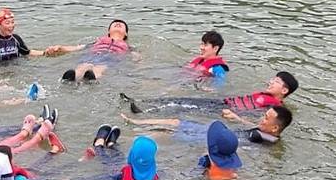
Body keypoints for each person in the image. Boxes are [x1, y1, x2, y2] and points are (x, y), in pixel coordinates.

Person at [122, 71, 298, 114]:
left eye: (276, 82)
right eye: (272, 79)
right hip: (222, 103)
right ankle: (140, 100)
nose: (270, 82)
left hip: (222, 110)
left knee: (184, 108)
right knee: (180, 99)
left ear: (284, 90)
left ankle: (144, 111)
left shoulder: (276, 107)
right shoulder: (268, 98)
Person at [121, 105, 293, 145]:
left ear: (275, 128)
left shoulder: (269, 141)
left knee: (166, 132)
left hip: (212, 139)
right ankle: (136, 122)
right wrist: (238, 118)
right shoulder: (264, 131)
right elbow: (251, 127)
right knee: (176, 122)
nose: (261, 119)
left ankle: (131, 140)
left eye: (266, 118)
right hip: (217, 131)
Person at [45, 19, 135, 81]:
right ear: (108, 31)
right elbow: (76, 48)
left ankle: (91, 78)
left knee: (99, 68)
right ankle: (72, 77)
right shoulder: (98, 41)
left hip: (112, 57)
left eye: (121, 25)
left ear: (126, 33)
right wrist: (61, 47)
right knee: (84, 66)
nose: (118, 23)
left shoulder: (128, 46)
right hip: (93, 55)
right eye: (115, 24)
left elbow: (136, 56)